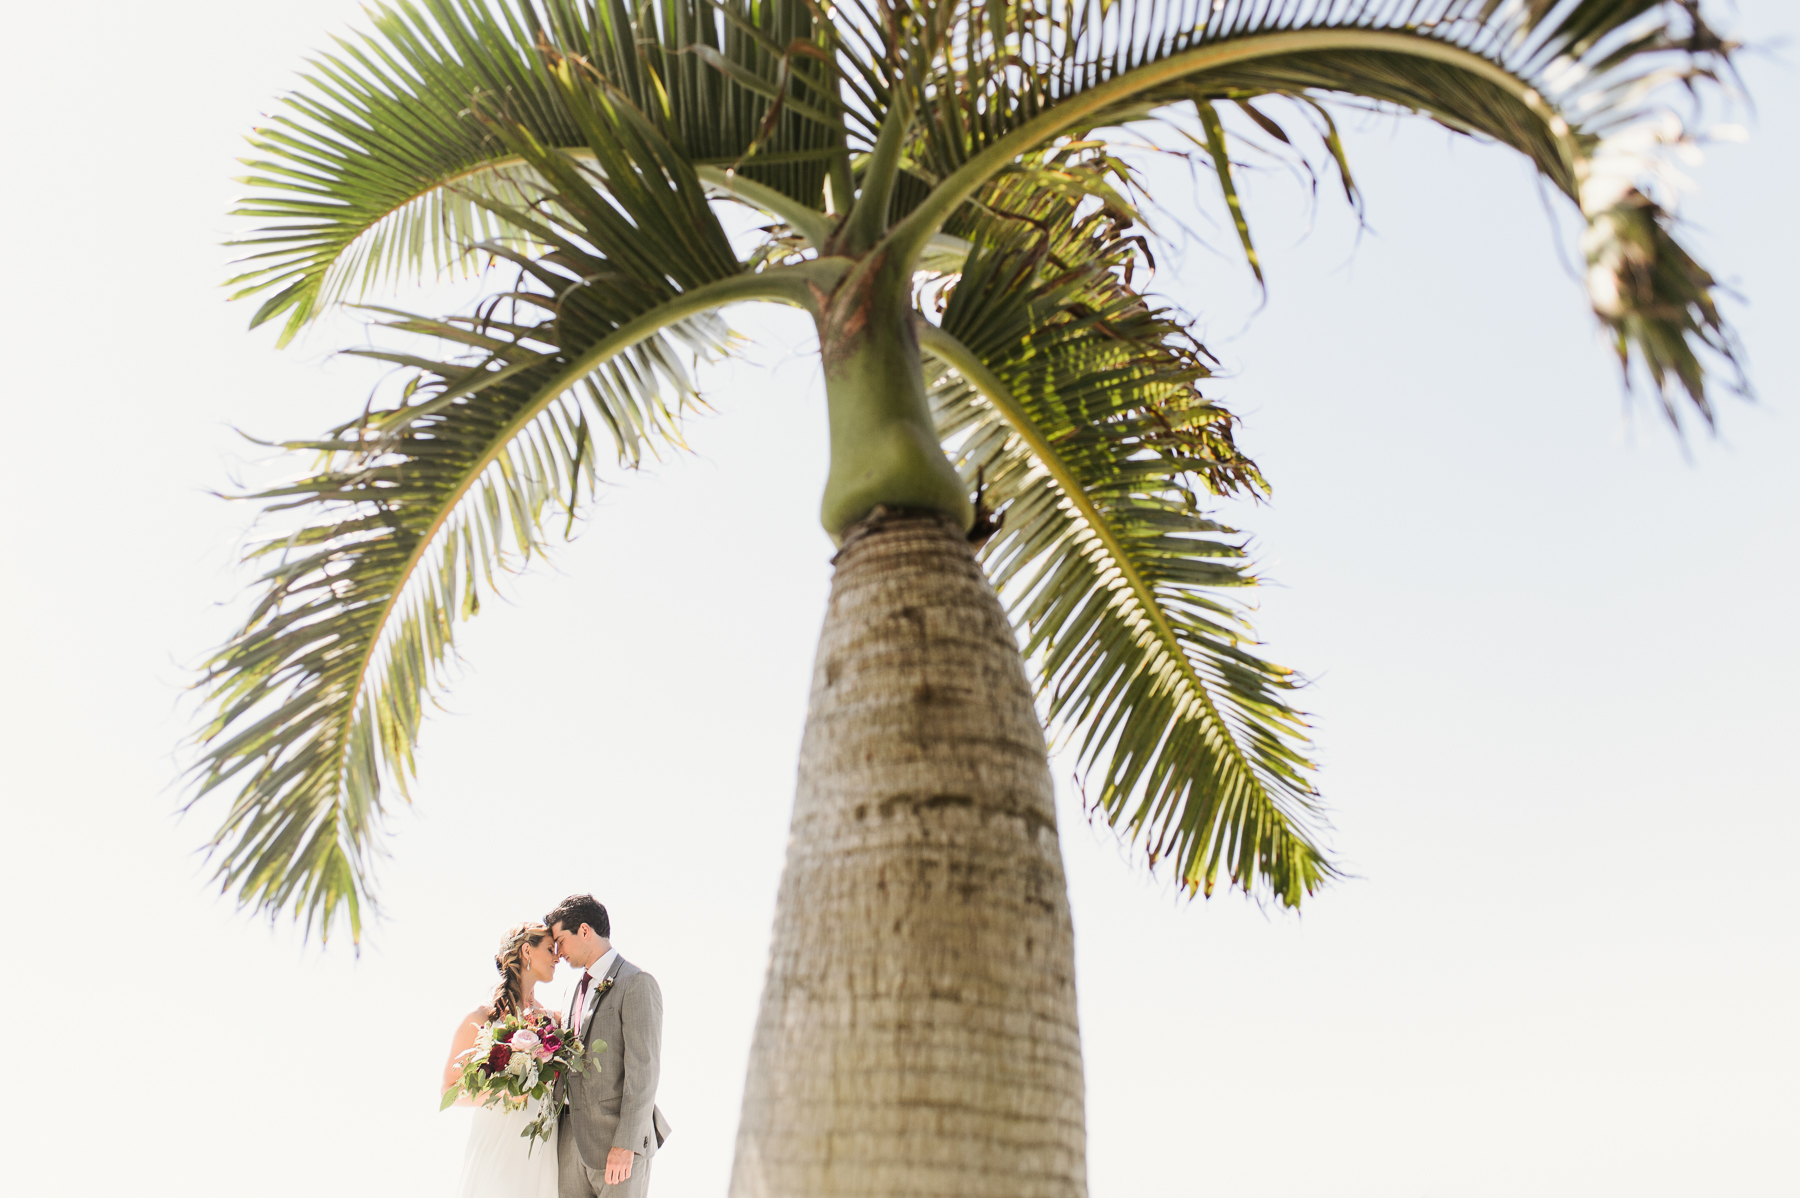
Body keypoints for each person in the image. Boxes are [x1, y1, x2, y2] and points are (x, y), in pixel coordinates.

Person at [545, 894, 670, 1198]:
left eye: (560, 940)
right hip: (569, 1145)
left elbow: (644, 1070)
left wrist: (626, 1142)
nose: (558, 952)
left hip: (618, 1145)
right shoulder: (572, 990)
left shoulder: (636, 983)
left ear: (584, 931)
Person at [442, 922, 563, 1198]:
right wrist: (507, 1092)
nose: (557, 958)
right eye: (549, 949)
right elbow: (449, 1089)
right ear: (526, 951)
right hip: (499, 1138)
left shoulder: (553, 1022)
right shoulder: (481, 1019)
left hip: (540, 1144)